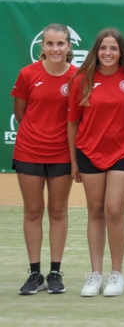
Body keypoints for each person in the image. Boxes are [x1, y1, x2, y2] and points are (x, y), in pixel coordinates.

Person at [68, 28, 124, 298]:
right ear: (95, 51)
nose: (108, 53)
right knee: (95, 211)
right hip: (88, 151)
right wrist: (74, 160)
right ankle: (95, 274)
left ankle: (116, 275)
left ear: (121, 52)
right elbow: (73, 123)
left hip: (123, 150)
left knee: (113, 210)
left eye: (113, 48)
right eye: (103, 48)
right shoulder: (81, 80)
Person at [12, 23, 77, 295]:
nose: (55, 49)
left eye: (60, 44)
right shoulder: (28, 75)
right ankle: (35, 273)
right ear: (42, 47)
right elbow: (21, 113)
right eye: (50, 44)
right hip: (29, 152)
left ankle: (54, 272)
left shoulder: (76, 77)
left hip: (62, 154)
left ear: (69, 47)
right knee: (33, 211)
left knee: (58, 211)